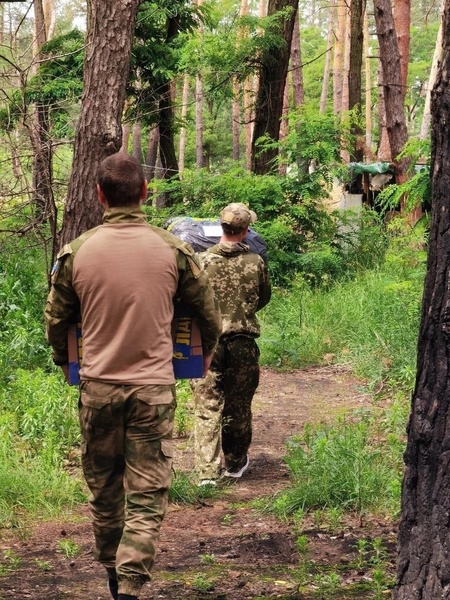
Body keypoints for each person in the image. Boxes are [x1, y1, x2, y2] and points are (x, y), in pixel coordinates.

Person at [44, 153, 221, 600]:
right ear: (145, 192)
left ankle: (112, 572)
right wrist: (199, 358)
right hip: (152, 390)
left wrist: (66, 363)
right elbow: (210, 316)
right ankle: (130, 583)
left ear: (99, 195)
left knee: (105, 488)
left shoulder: (77, 252)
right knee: (147, 491)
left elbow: (56, 322)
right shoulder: (173, 250)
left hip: (97, 388)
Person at [191, 202, 271, 485]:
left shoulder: (200, 261)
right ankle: (235, 462)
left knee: (206, 406)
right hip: (242, 343)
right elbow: (263, 297)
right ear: (246, 230)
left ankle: (206, 473)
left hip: (206, 345)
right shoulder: (255, 262)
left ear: (221, 227)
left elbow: (191, 301)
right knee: (238, 406)